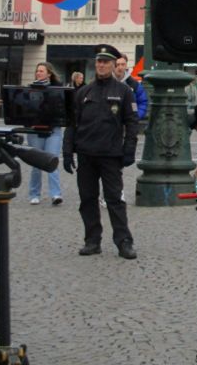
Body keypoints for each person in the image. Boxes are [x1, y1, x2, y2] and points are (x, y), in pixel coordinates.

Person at [62, 44, 139, 259]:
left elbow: (132, 123)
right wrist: (67, 151)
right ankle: (92, 240)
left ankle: (124, 241)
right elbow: (72, 124)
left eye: (106, 62)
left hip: (110, 155)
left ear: (114, 65)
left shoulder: (124, 92)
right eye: (99, 62)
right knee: (87, 199)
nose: (102, 65)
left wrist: (129, 150)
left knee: (114, 200)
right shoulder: (84, 92)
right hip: (86, 154)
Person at [27, 62, 64, 206]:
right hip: (36, 129)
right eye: (37, 71)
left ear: (49, 74)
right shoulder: (31, 89)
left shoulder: (57, 89)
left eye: (41, 71)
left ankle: (55, 193)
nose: (39, 73)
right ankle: (34, 193)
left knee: (52, 161)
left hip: (53, 129)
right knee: (36, 163)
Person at [114, 52, 148, 121]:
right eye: (117, 65)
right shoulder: (106, 82)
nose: (120, 67)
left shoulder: (134, 84)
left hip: (128, 124)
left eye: (123, 64)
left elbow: (142, 102)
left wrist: (136, 117)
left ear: (126, 65)